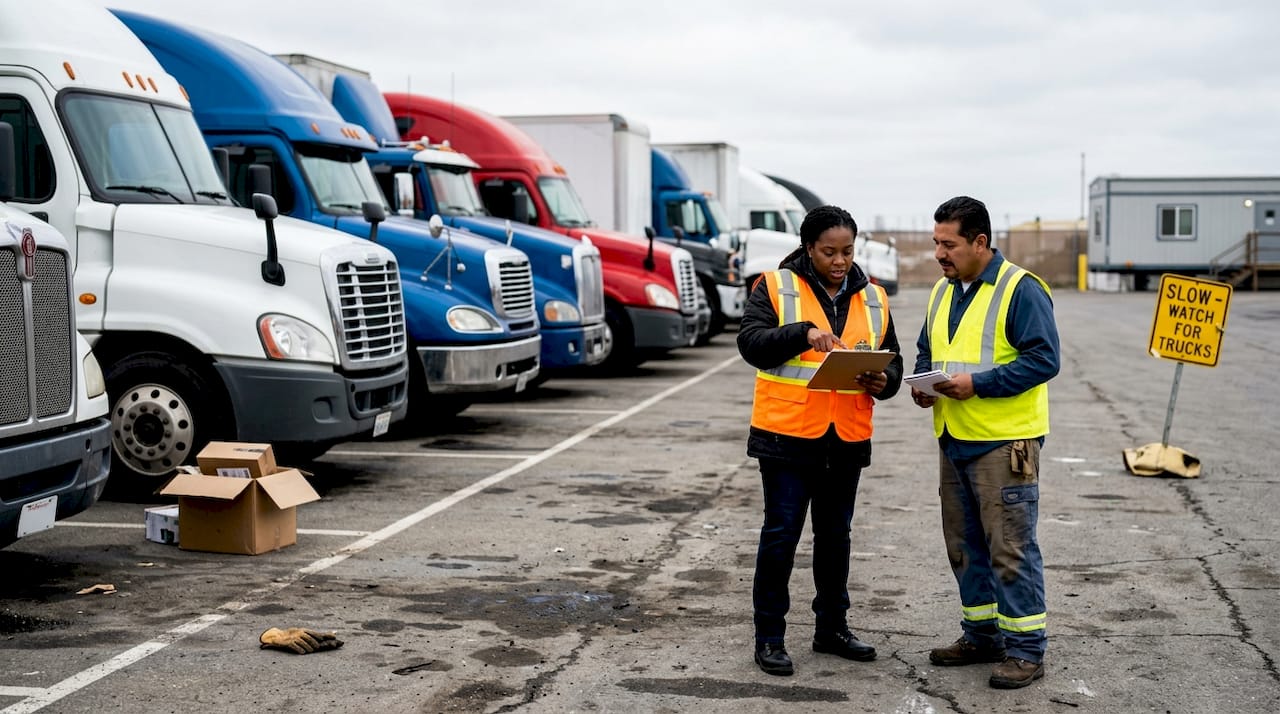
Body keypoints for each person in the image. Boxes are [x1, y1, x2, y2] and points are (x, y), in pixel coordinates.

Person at [737, 204, 903, 676]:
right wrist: (803, 334)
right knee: (781, 536)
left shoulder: (873, 297)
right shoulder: (774, 287)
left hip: (845, 437)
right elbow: (751, 344)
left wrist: (883, 382)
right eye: (829, 251)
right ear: (809, 248)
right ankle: (769, 636)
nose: (839, 261)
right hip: (786, 436)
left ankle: (831, 628)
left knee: (835, 538)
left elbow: (893, 362)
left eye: (847, 251)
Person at [910, 196, 1060, 689]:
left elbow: (1043, 360)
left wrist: (979, 384)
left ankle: (1026, 651)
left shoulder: (1021, 289)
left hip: (1003, 443)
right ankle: (981, 635)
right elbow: (928, 348)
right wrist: (923, 384)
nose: (939, 253)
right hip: (954, 437)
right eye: (936, 243)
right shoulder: (943, 290)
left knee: (1010, 548)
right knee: (965, 547)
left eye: (948, 244)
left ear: (980, 242)